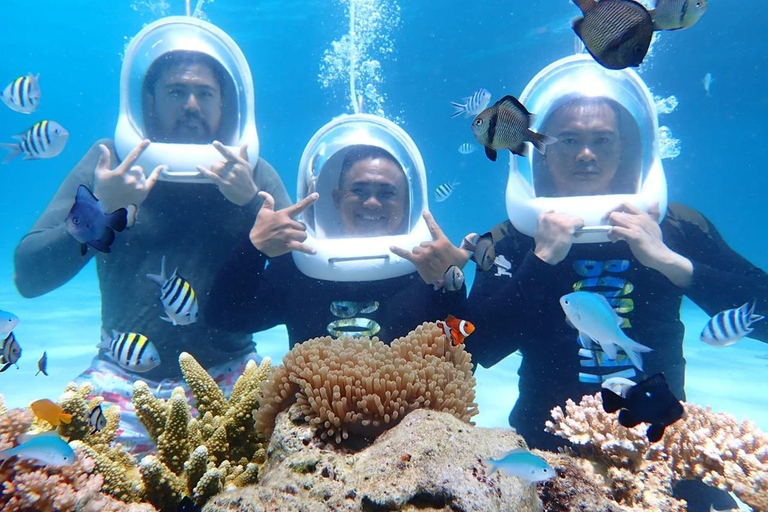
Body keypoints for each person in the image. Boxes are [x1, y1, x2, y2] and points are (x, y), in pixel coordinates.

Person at [13, 17, 291, 452]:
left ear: (226, 104)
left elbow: (303, 284)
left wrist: (250, 203)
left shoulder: (251, 172)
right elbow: (29, 278)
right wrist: (99, 210)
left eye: (206, 93)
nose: (192, 104)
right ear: (149, 101)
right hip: (119, 376)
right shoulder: (111, 163)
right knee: (55, 472)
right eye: (176, 92)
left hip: (236, 371)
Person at [466, 55, 768, 451]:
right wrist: (540, 262)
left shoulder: (676, 225)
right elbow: (477, 350)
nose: (585, 154)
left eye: (602, 140)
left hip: (661, 447)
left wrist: (673, 264)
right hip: (541, 451)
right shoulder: (515, 237)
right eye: (568, 140)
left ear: (626, 149)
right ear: (540, 150)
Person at [207, 116, 467, 347]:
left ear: (407, 203)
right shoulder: (300, 261)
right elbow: (224, 316)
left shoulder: (427, 268)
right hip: (310, 404)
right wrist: (253, 249)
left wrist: (453, 286)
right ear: (337, 198)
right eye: (359, 190)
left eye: (387, 193)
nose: (372, 203)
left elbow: (464, 352)